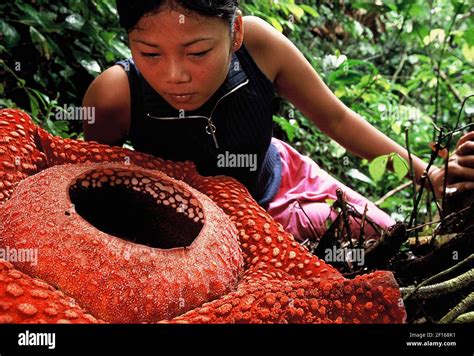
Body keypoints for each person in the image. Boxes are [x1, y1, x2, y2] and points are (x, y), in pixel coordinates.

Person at [82, 0, 474, 242]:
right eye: (149, 53)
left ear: (234, 31)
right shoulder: (114, 97)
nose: (175, 75)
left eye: (198, 52)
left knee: (390, 239)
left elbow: (337, 119)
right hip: (203, 229)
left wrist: (430, 178)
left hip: (288, 179)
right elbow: (103, 193)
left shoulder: (259, 47)